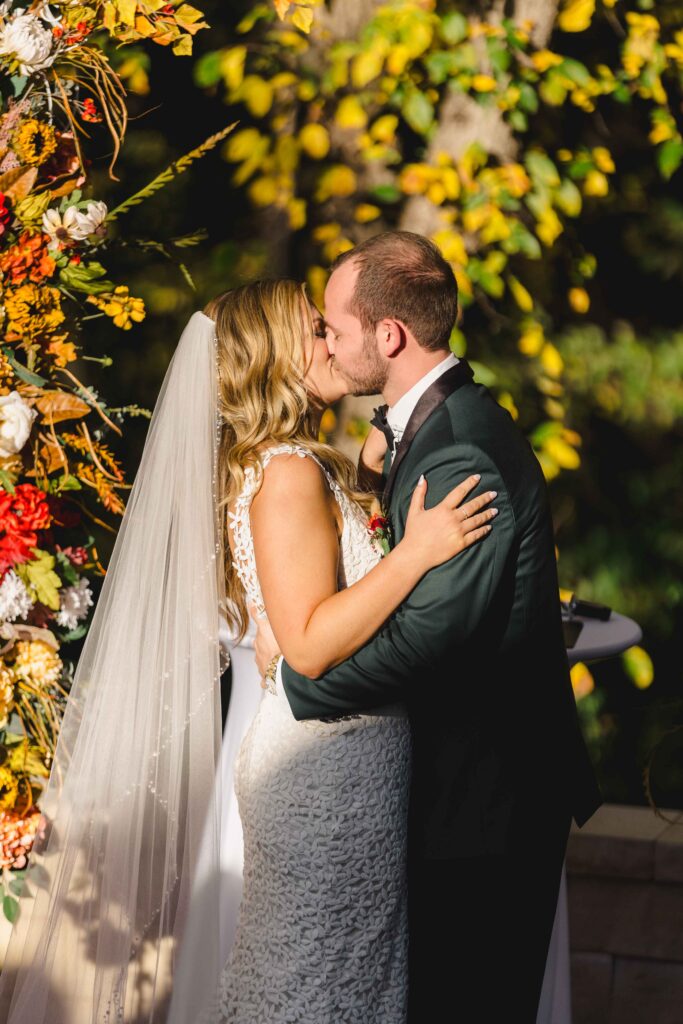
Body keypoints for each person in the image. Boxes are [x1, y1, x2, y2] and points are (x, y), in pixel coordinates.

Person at [0, 280, 495, 1024]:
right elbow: (307, 642)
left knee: (339, 984)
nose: (335, 340)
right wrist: (416, 554)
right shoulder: (287, 474)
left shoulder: (308, 461)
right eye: (316, 330)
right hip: (321, 774)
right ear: (274, 357)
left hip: (352, 770)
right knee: (309, 988)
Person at [254, 231, 604, 1022]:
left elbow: (429, 637)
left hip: (485, 797)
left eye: (335, 328)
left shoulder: (461, 453)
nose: (329, 345)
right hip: (465, 793)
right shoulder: (434, 427)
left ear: (388, 335)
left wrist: (301, 682)